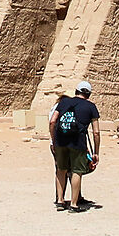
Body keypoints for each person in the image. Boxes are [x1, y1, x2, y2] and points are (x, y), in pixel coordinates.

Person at [50, 81, 102, 212]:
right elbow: (96, 132)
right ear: (88, 94)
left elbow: (52, 121)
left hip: (61, 141)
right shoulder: (91, 107)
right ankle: (74, 204)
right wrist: (96, 152)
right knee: (76, 171)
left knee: (61, 170)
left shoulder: (63, 103)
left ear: (76, 91)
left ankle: (60, 201)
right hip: (77, 142)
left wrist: (53, 140)